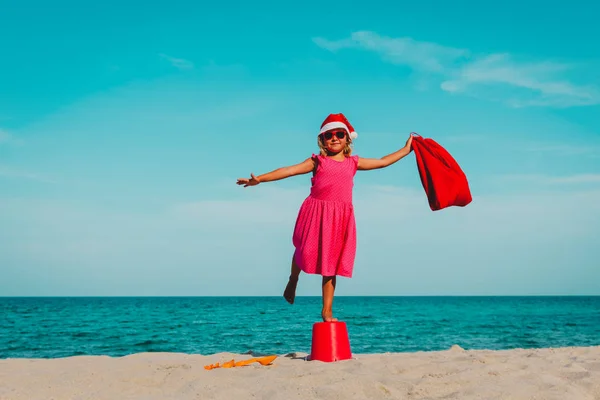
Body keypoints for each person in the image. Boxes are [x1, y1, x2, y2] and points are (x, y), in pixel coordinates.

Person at [236, 113, 413, 322]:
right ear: (322, 140)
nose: (335, 138)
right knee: (303, 249)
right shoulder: (316, 161)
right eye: (329, 135)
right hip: (316, 212)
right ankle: (293, 279)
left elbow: (383, 162)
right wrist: (260, 180)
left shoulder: (353, 163)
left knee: (332, 264)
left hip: (340, 218)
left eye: (340, 134)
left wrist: (406, 149)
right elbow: (289, 170)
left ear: (348, 138)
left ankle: (327, 310)